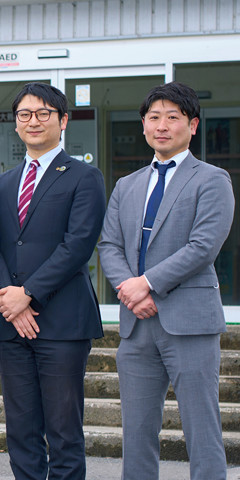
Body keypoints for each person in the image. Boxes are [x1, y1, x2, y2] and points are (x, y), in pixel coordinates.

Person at [97, 82, 233, 480]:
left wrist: (148, 283)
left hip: (189, 321)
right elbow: (109, 244)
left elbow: (203, 246)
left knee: (201, 428)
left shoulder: (212, 179)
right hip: (136, 325)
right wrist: (130, 289)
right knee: (137, 432)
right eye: (154, 117)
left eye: (172, 117)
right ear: (143, 126)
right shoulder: (127, 184)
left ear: (192, 125)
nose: (162, 126)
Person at [0, 82, 106, 480]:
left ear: (63, 120)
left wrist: (28, 294)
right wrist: (9, 301)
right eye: (24, 115)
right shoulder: (1, 182)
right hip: (11, 322)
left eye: (43, 113)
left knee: (64, 429)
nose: (33, 121)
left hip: (62, 321)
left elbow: (78, 246)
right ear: (15, 124)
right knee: (20, 428)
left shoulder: (84, 176)